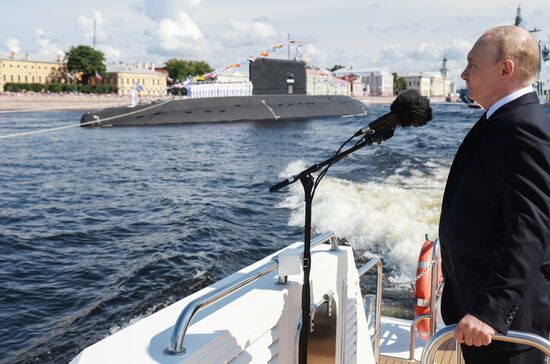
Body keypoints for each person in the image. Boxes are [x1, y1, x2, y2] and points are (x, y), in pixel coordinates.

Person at [439, 25, 550, 364]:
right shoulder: (501, 120)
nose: (463, 73)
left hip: (503, 328)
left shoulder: (522, 126)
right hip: (481, 315)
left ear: (506, 69)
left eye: (472, 64)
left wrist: (491, 311)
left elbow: (531, 229)